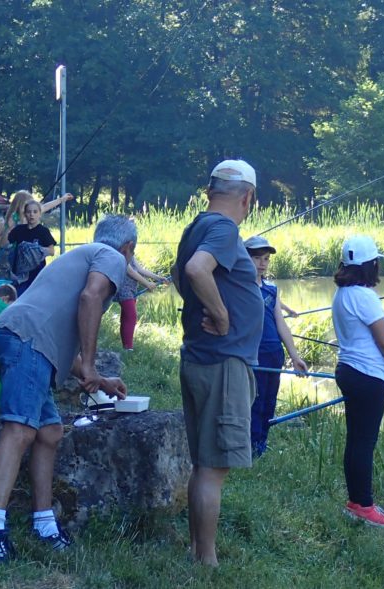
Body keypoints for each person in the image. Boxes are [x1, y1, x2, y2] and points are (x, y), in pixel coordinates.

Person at [0, 215, 135, 564]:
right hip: (26, 341)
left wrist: (97, 377)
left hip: (19, 337)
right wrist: (89, 363)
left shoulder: (81, 256)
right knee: (20, 428)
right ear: (128, 247)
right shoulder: (111, 257)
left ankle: (44, 522)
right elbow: (90, 298)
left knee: (49, 431)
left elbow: (54, 334)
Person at [172, 159, 262, 566]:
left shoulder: (196, 228)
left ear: (210, 191)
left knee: (203, 463)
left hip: (201, 358)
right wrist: (222, 315)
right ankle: (206, 562)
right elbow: (195, 270)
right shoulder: (225, 229)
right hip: (222, 364)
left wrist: (201, 307)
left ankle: (197, 551)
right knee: (213, 468)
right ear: (248, 197)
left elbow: (179, 276)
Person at [331, 235, 384, 527]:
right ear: (370, 265)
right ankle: (364, 506)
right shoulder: (365, 297)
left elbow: (363, 343)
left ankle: (357, 500)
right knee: (364, 442)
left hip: (349, 371)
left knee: (356, 440)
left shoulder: (343, 294)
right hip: (367, 378)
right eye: (377, 262)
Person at [243, 235, 308, 456]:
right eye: (257, 258)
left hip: (274, 353)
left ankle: (261, 443)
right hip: (254, 354)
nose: (262, 263)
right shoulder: (239, 288)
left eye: (266, 259)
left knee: (270, 401)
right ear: (244, 258)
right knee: (255, 401)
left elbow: (281, 325)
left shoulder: (272, 289)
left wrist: (295, 356)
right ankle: (250, 446)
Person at [116, 256, 168, 351]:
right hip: (123, 289)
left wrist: (158, 278)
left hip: (131, 289)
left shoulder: (130, 252)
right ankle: (128, 348)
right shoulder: (121, 253)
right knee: (131, 316)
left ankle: (126, 347)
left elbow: (139, 269)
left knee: (126, 317)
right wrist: (147, 284)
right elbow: (130, 271)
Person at [7, 200, 57, 295]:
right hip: (19, 274)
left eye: (35, 212)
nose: (31, 215)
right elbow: (5, 244)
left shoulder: (43, 231)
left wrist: (34, 250)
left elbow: (51, 251)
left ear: (39, 214)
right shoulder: (18, 230)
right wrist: (8, 227)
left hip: (37, 273)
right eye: (29, 212)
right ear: (25, 214)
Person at [0, 190, 73, 248]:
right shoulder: (9, 221)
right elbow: (3, 245)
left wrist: (62, 199)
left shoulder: (30, 214)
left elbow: (45, 207)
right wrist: (8, 228)